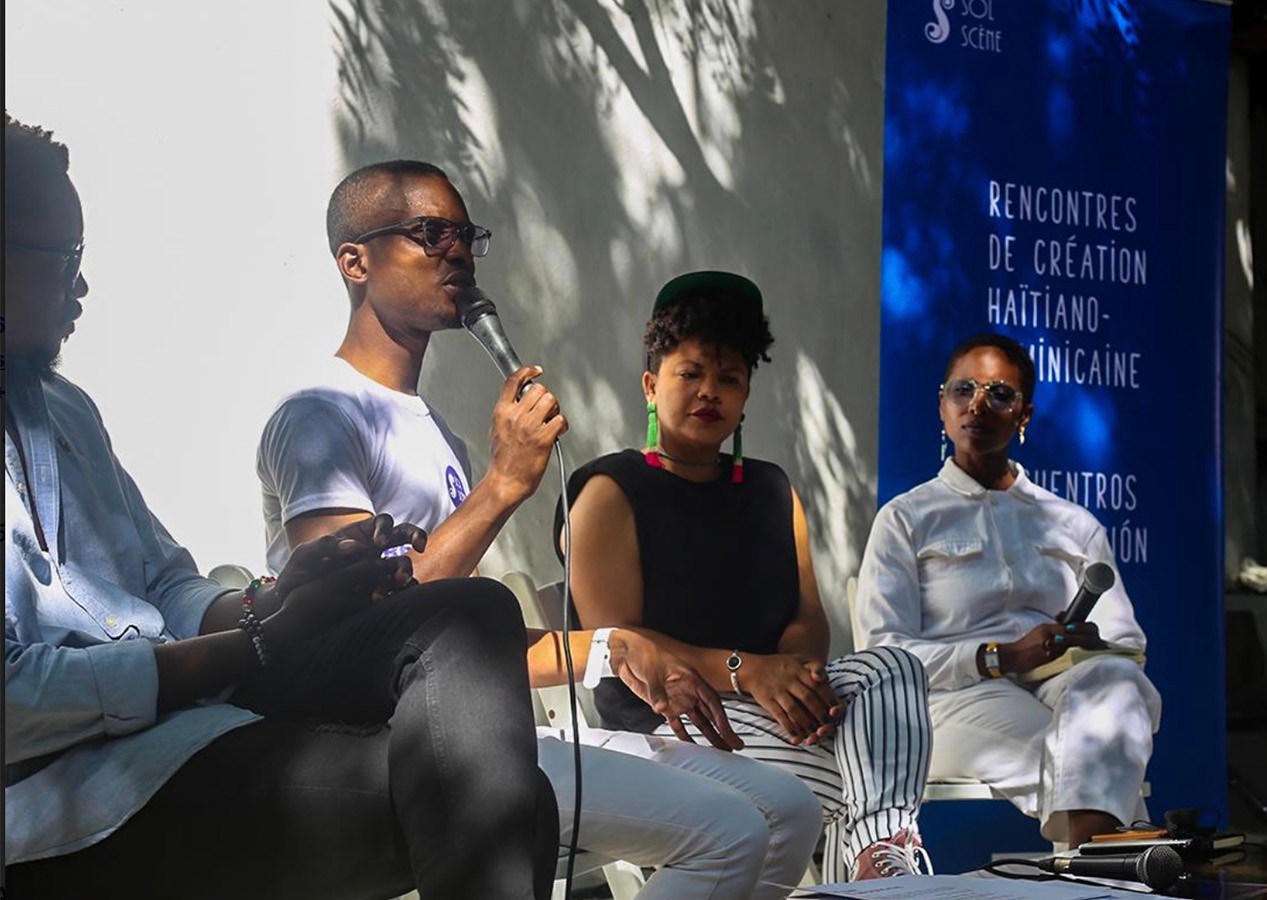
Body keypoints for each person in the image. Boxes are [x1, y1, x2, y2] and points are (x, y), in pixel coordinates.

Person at [4, 115, 557, 899]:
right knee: (512, 808)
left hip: (198, 719)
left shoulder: (65, 410)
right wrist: (250, 647)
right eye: (64, 259)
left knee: (471, 616)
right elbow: (15, 700)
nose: (81, 285)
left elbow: (165, 583)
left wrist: (276, 597)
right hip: (74, 797)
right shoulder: (317, 414)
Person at [256, 161, 823, 899]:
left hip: (488, 723)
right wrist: (503, 485)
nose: (456, 252)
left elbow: (469, 640)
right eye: (430, 234)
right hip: (401, 746)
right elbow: (362, 626)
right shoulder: (319, 417)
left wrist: (615, 649)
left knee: (789, 807)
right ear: (354, 261)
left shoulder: (436, 435)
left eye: (465, 236)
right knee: (732, 830)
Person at [559, 271, 934, 881]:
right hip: (675, 722)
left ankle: (877, 865)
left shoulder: (771, 489)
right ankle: (883, 872)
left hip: (775, 710)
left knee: (894, 668)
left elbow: (807, 617)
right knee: (865, 772)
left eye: (729, 378)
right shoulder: (610, 490)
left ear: (747, 395)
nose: (710, 392)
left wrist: (796, 680)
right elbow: (624, 646)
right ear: (651, 387)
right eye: (691, 373)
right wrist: (750, 670)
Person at [853, 332, 1161, 848]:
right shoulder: (907, 518)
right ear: (942, 405)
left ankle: (1086, 875)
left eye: (999, 394)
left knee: (1114, 682)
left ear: (1024, 416)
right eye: (963, 389)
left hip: (1066, 688)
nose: (978, 404)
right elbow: (884, 655)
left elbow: (1127, 646)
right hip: (955, 699)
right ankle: (1109, 873)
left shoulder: (1072, 523)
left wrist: (1084, 644)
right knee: (1091, 754)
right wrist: (999, 656)